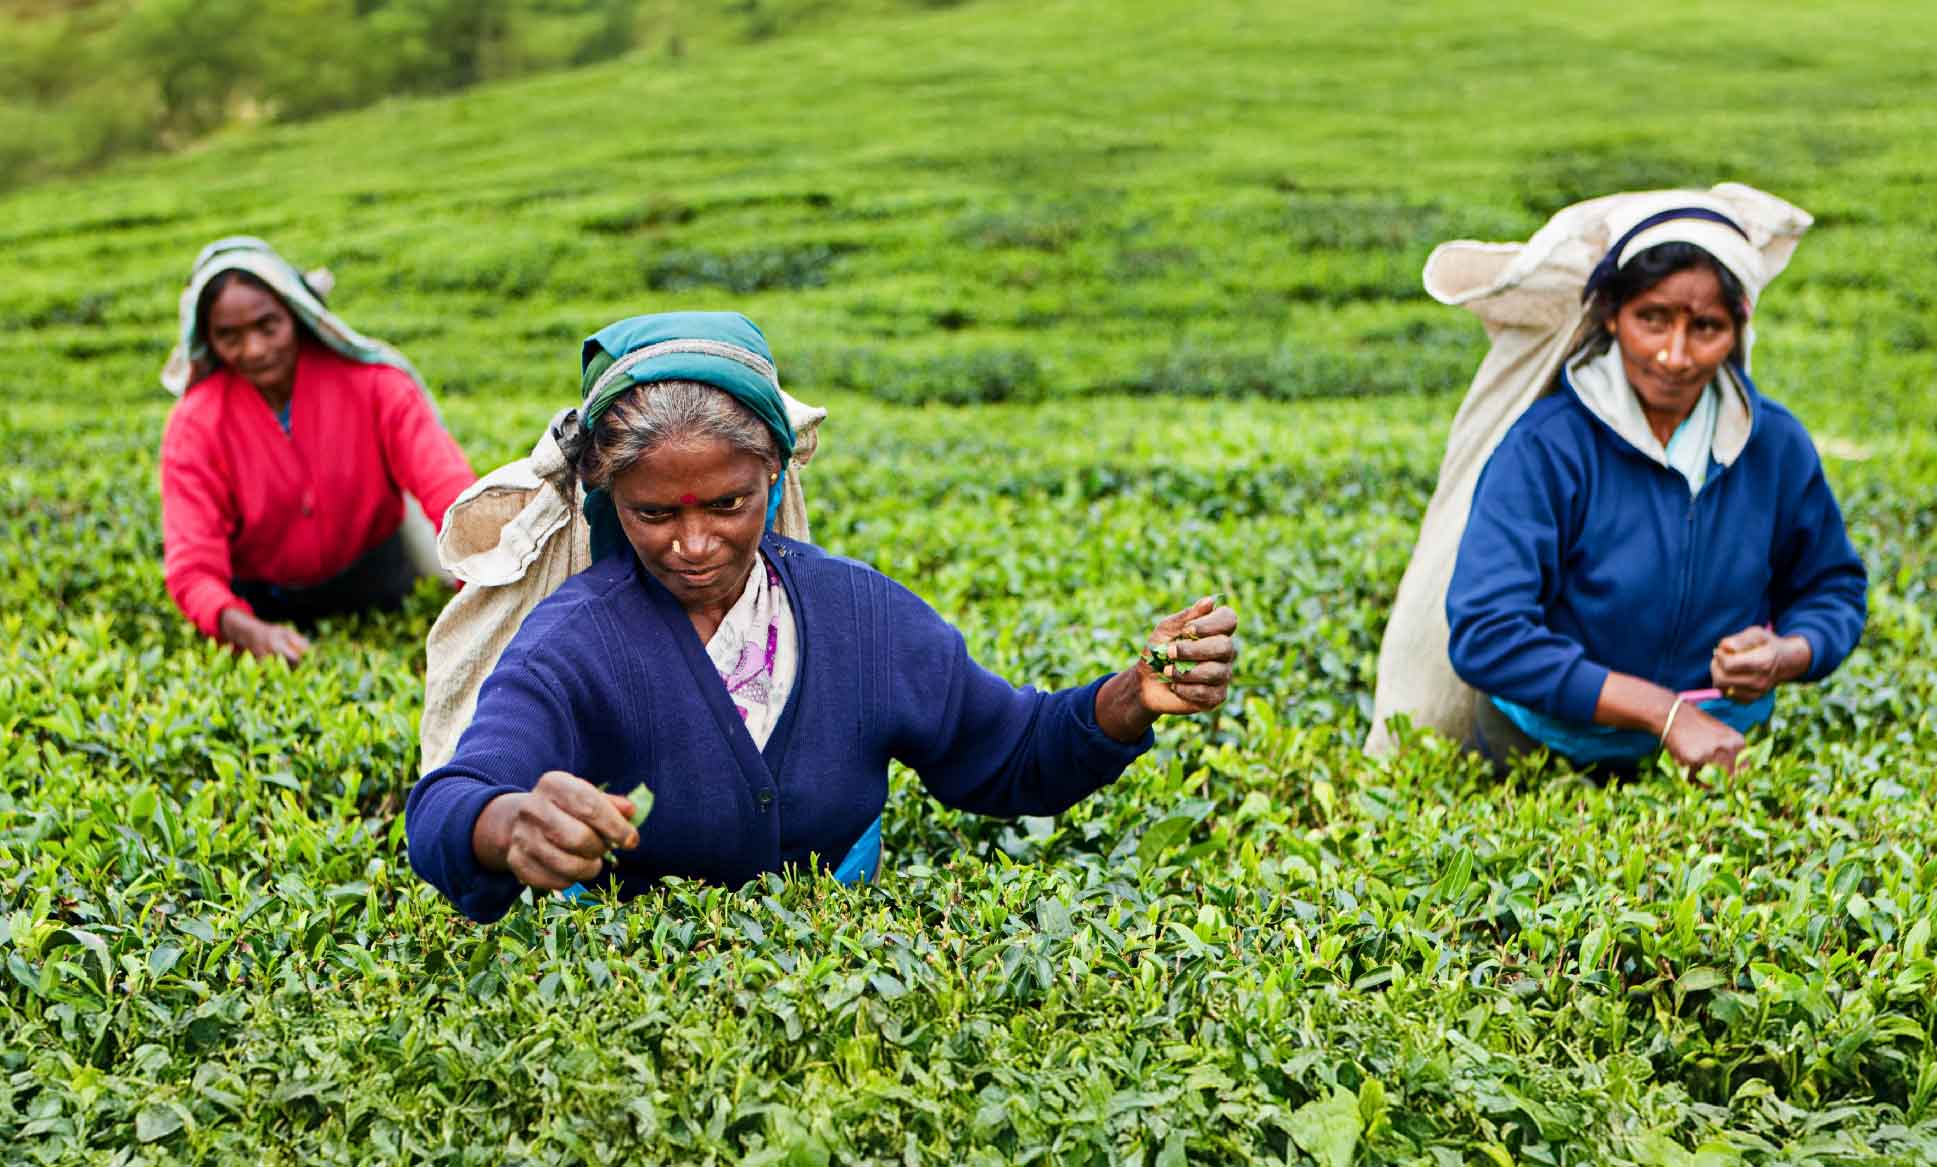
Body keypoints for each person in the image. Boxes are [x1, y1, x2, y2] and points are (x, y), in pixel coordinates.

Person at [405, 312, 1238, 923]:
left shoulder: (856, 614)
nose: (694, 543)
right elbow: (449, 800)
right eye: (655, 512)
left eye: (727, 503)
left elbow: (1010, 750)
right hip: (635, 964)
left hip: (837, 952)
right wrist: (508, 825)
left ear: (771, 471)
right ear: (608, 498)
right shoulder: (575, 640)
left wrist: (1131, 695)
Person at [1445, 206, 1867, 777]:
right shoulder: (1547, 448)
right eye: (1653, 319)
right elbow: (1487, 632)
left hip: (1720, 752)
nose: (1675, 355)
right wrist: (1664, 714)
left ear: (1738, 326)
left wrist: (1788, 654)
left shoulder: (1773, 446)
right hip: (1544, 753)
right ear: (1613, 316)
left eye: (1706, 328)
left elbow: (1832, 587)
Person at [158, 238, 477, 662]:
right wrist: (244, 628)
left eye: (267, 326)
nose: (253, 349)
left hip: (379, 584)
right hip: (263, 603)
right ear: (207, 339)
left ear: (296, 314)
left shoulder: (376, 385)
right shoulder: (196, 425)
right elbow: (192, 565)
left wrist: (480, 583)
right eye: (228, 336)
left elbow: (448, 490)